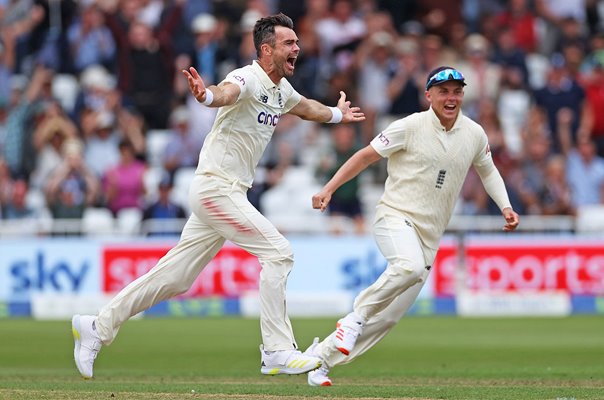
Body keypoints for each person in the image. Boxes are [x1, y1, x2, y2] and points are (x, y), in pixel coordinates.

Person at [71, 13, 365, 379]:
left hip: (228, 193)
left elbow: (307, 107)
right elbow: (226, 93)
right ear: (266, 49)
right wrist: (206, 94)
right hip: (216, 189)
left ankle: (96, 327)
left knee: (176, 278)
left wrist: (338, 114)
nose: (297, 48)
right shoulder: (247, 77)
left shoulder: (281, 90)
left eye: (297, 43)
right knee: (279, 253)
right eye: (289, 44)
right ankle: (276, 350)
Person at [305, 66, 520, 386]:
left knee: (388, 317)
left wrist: (505, 206)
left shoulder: (474, 133)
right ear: (429, 95)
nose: (451, 98)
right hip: (394, 216)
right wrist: (328, 189)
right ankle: (354, 317)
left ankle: (320, 361)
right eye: (444, 91)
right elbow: (365, 157)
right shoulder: (409, 126)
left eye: (457, 91)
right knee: (409, 267)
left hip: (429, 235)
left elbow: (487, 171)